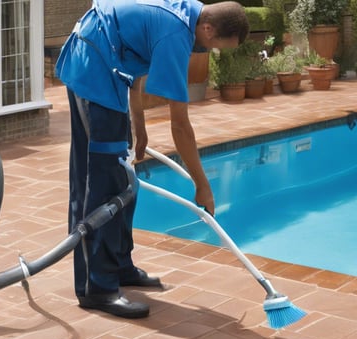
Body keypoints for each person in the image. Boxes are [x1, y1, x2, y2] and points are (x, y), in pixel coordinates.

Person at [55, 0, 249, 319]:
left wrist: (139, 125)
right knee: (104, 184)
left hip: (105, 65)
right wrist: (203, 186)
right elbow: (180, 126)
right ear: (209, 29)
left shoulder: (183, 16)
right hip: (94, 71)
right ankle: (97, 288)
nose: (212, 51)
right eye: (216, 46)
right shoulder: (177, 32)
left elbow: (133, 59)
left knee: (125, 180)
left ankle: (119, 267)